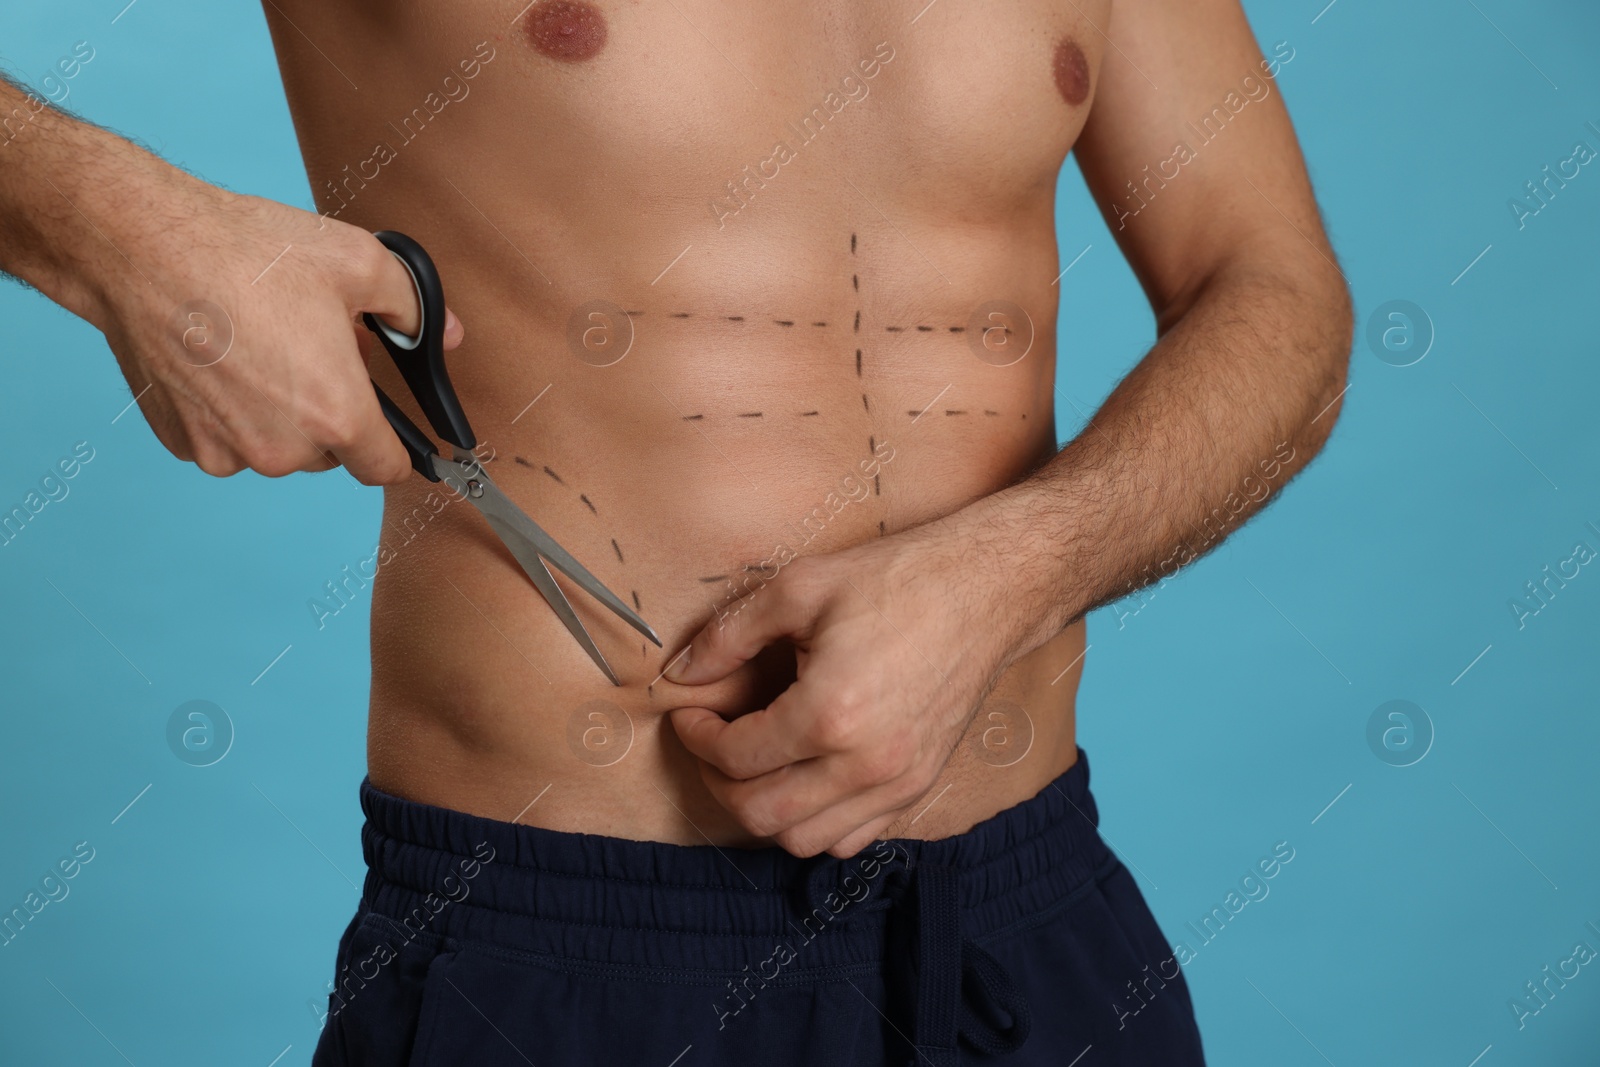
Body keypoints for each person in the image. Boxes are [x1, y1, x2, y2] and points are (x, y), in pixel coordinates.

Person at [0, 0, 1350, 1062]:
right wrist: (124, 229)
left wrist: (1012, 574)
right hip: (573, 961)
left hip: (1029, 928)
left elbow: (1274, 292)